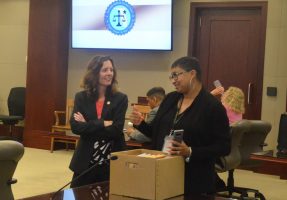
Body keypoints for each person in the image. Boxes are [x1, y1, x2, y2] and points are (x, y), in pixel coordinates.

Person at [130, 56, 230, 195]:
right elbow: (156, 133)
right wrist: (140, 123)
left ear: (192, 74)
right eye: (171, 76)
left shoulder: (212, 107)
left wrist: (189, 151)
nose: (173, 81)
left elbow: (224, 147)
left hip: (194, 179)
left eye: (176, 75)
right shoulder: (170, 99)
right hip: (162, 174)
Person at [69, 55, 128, 188]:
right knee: (74, 196)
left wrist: (87, 125)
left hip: (111, 161)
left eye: (111, 70)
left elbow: (116, 130)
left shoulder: (120, 98)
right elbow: (75, 127)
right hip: (85, 160)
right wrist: (102, 123)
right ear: (94, 73)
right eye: (105, 70)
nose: (109, 74)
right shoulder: (81, 97)